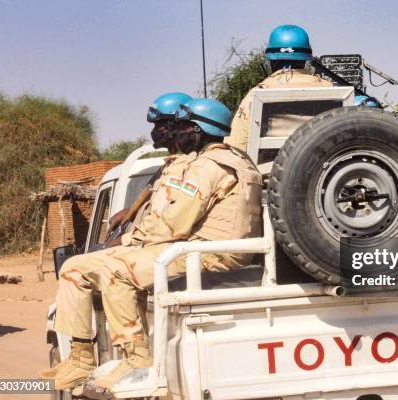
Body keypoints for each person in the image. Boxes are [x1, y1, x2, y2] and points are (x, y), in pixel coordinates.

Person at [39, 96, 263, 391]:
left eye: (183, 126)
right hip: (204, 250)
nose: (176, 132)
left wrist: (131, 242)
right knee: (74, 267)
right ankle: (80, 360)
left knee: (117, 271)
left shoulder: (209, 167)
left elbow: (174, 223)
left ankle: (137, 359)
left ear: (199, 130)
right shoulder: (221, 162)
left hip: (211, 255)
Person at [224, 24, 333, 152]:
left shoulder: (255, 95)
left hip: (268, 170)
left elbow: (238, 146)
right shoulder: (330, 89)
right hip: (322, 168)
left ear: (271, 60)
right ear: (305, 59)